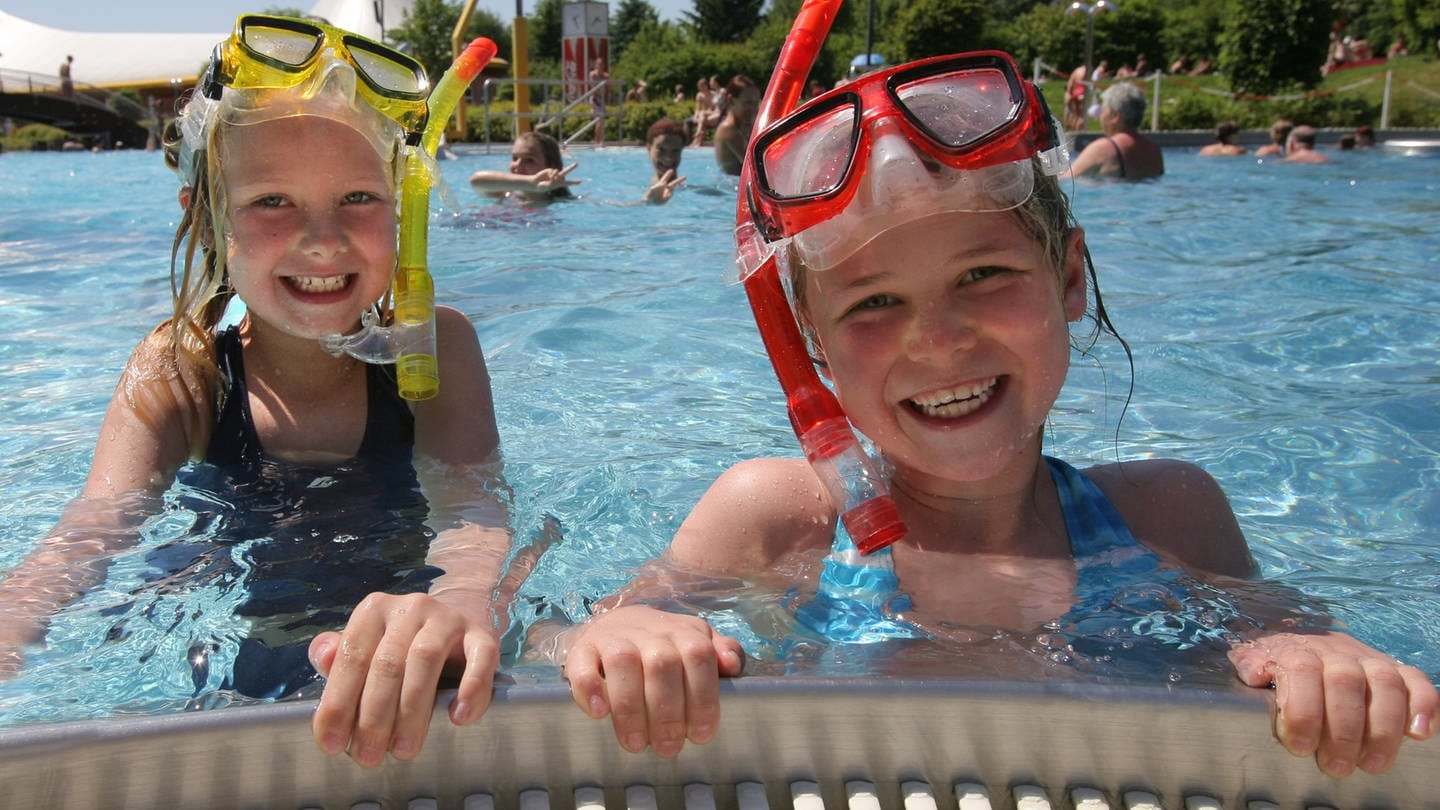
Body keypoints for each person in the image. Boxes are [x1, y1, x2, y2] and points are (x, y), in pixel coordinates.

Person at [551, 48, 1438, 776]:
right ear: (813, 347)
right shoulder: (781, 520)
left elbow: (1294, 646)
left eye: (983, 277)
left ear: (1069, 279)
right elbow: (563, 642)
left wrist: (1324, 664)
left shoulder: (1169, 515)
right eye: (873, 304)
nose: (936, 341)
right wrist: (623, 636)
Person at [0, 16, 516, 768]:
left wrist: (463, 604)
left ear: (405, 210)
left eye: (358, 198)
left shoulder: (435, 353)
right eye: (273, 201)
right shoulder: (180, 370)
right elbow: (91, 532)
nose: (322, 237)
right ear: (209, 220)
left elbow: (471, 507)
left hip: (400, 631)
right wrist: (13, 627)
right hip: (226, 648)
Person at [1061, 82, 1163, 180]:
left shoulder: (1104, 148)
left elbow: (1066, 179)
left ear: (1115, 116)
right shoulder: (1155, 151)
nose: (1101, 115)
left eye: (1103, 110)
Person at [469, 131, 579, 203]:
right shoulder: (504, 194)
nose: (517, 165)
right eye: (515, 158)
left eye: (529, 160)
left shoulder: (558, 203)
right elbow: (476, 181)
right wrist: (531, 183)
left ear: (551, 167)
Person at [713, 75, 759, 176]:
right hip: (732, 188)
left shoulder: (743, 126)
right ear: (731, 100)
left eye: (756, 103)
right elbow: (755, 166)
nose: (754, 108)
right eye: (748, 103)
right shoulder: (728, 130)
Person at [643, 117, 686, 205]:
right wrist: (648, 202)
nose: (668, 157)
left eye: (675, 151)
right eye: (661, 149)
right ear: (649, 148)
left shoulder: (694, 193)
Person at [588, 57, 609, 146]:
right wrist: (601, 89)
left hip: (602, 98)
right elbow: (594, 88)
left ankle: (598, 140)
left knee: (600, 120)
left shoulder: (606, 76)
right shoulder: (593, 74)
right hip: (595, 98)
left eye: (602, 64)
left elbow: (608, 89)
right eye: (598, 64)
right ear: (596, 65)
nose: (600, 66)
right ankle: (597, 141)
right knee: (600, 119)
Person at [1063, 64, 1087, 133]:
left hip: (1075, 93)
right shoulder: (1087, 71)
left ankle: (1072, 130)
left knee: (1074, 113)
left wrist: (1069, 93)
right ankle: (1077, 132)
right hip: (1082, 93)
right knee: (1080, 115)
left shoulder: (1076, 71)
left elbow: (1070, 84)